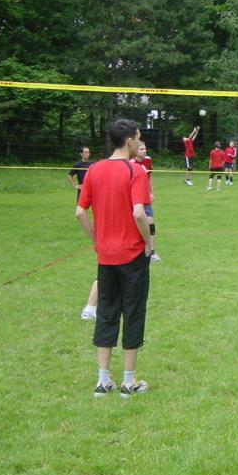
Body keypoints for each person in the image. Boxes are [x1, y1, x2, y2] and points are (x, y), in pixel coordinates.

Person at [75, 119, 152, 398]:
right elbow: (139, 213)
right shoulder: (135, 170)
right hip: (132, 255)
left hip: (106, 256)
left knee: (106, 312)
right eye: (138, 138)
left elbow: (80, 212)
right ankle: (128, 383)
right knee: (133, 312)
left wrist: (97, 240)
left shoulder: (94, 169)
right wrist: (148, 242)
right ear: (130, 141)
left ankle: (103, 380)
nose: (139, 143)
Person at [133, 141, 161, 262]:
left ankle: (151, 252)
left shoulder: (148, 160)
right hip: (134, 199)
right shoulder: (130, 162)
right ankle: (137, 252)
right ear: (135, 151)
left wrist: (151, 192)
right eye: (141, 149)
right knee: (136, 225)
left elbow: (149, 178)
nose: (144, 151)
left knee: (150, 223)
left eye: (145, 148)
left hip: (146, 198)